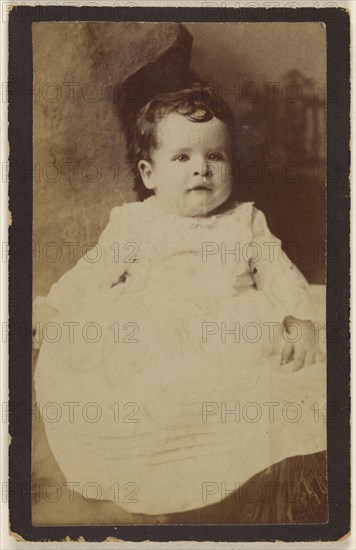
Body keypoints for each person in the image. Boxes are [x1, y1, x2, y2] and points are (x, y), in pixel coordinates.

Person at [33, 85, 326, 519]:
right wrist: (54, 308)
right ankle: (158, 472)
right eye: (183, 157)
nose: (202, 170)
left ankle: (254, 474)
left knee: (286, 368)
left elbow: (279, 272)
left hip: (231, 324)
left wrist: (298, 317)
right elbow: (94, 271)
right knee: (126, 378)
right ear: (149, 174)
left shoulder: (245, 220)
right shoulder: (134, 222)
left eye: (216, 157)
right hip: (152, 326)